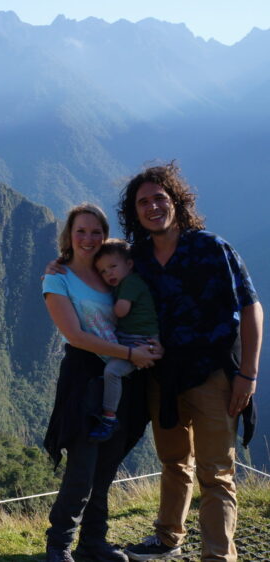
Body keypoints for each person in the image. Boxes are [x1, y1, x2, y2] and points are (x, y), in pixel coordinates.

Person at [119, 163, 262, 562]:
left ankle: (218, 556)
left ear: (177, 202)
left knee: (215, 473)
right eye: (143, 202)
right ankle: (168, 537)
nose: (152, 207)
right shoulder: (137, 259)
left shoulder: (211, 248)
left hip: (213, 375)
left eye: (159, 198)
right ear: (135, 213)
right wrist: (59, 268)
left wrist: (247, 375)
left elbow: (251, 309)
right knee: (173, 462)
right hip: (162, 378)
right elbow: (97, 273)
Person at [42, 204, 161, 562]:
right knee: (82, 469)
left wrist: (151, 345)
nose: (88, 238)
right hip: (86, 379)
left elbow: (141, 308)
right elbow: (75, 335)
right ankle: (59, 545)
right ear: (69, 234)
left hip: (123, 380)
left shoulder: (111, 273)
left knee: (106, 467)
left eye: (96, 232)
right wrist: (129, 355)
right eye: (81, 231)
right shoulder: (57, 278)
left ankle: (93, 541)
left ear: (105, 236)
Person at [89, 239, 160, 442]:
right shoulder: (127, 282)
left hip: (139, 344)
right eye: (102, 271)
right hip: (135, 340)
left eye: (113, 267)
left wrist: (97, 309)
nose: (108, 274)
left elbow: (121, 311)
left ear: (129, 264)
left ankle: (109, 418)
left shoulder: (130, 283)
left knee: (111, 372)